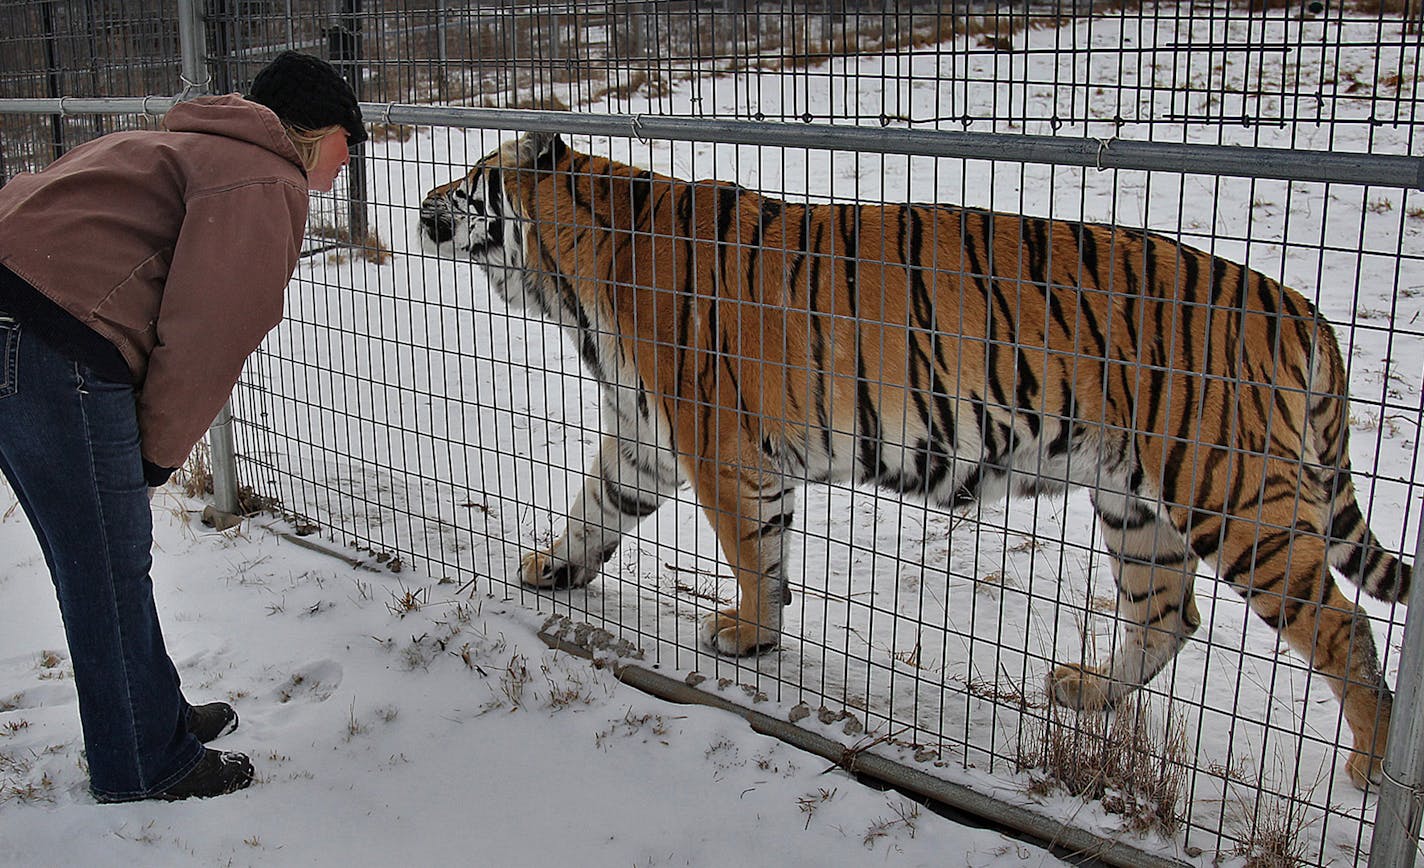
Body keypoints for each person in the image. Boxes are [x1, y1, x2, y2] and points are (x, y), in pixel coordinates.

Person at [0, 51, 365, 802]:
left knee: (98, 563)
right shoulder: (266, 180)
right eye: (345, 137)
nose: (350, 155)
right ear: (312, 131)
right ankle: (143, 763)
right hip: (56, 342)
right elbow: (207, 333)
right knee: (106, 565)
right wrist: (158, 457)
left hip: (19, 319)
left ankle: (151, 716)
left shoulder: (185, 144)